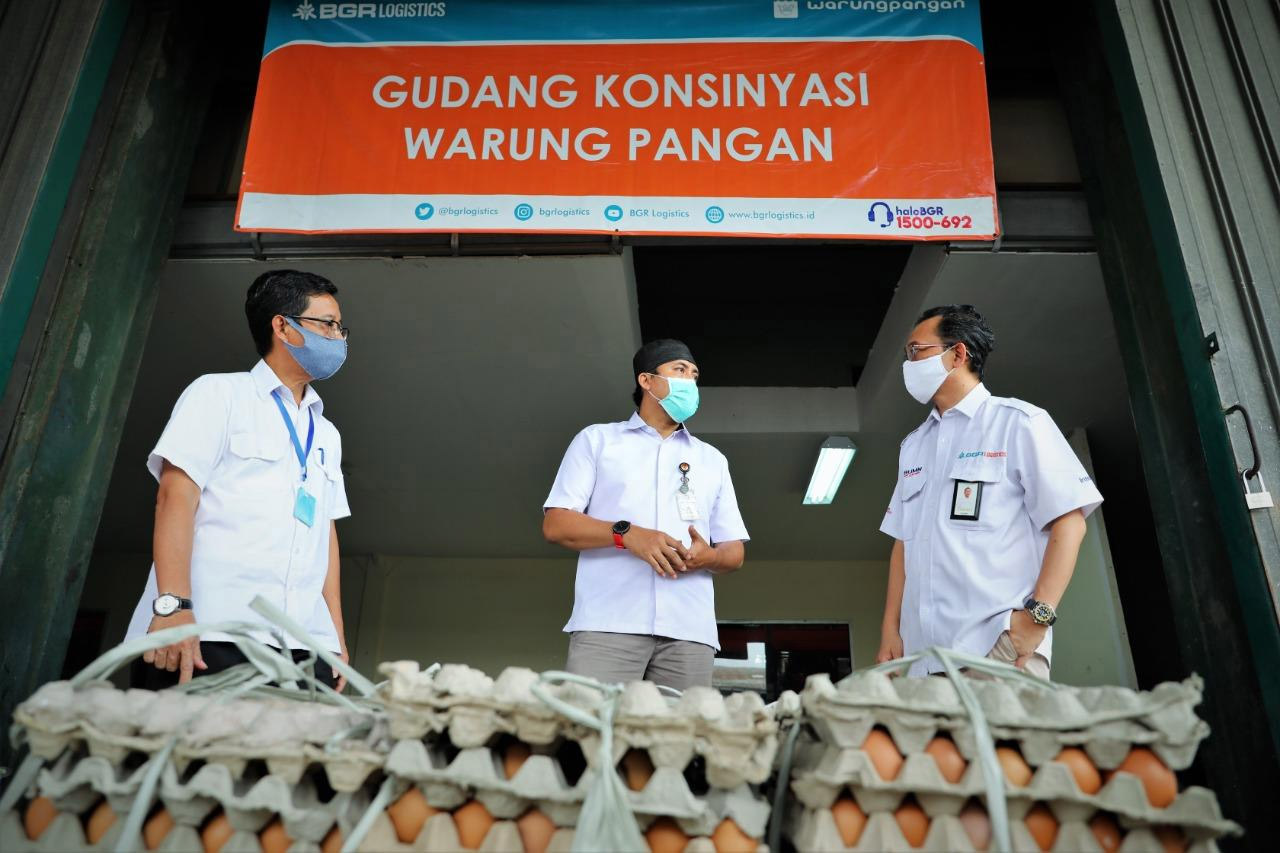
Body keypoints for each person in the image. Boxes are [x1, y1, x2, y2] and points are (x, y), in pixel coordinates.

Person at [124, 269, 352, 690]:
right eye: (327, 325)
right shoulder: (218, 395)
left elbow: (326, 534)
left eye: (341, 327)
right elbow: (175, 497)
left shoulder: (326, 433)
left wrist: (334, 636)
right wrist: (174, 606)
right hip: (209, 630)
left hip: (302, 646)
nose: (339, 337)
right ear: (282, 326)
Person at [877, 305, 1103, 679]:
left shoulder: (1019, 423)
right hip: (923, 660)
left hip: (998, 649)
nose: (908, 363)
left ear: (958, 354)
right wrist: (891, 628)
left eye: (916, 351)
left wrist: (1038, 617)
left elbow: (1070, 523)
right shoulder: (913, 447)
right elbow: (903, 543)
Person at [542, 339, 749, 690]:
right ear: (646, 381)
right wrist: (626, 533)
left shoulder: (712, 459)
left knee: (679, 740)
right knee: (591, 732)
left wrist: (708, 556)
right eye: (680, 371)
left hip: (689, 629)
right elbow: (557, 523)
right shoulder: (598, 441)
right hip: (609, 622)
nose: (690, 382)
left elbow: (734, 552)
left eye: (695, 375)